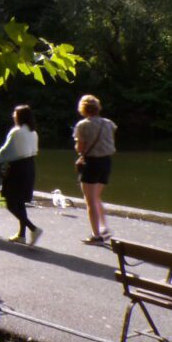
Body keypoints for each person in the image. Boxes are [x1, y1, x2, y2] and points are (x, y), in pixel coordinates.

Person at [73, 94, 118, 245]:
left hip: (91, 163)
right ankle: (104, 227)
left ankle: (96, 235)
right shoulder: (109, 123)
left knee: (90, 200)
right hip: (106, 162)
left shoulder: (83, 125)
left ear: (83, 109)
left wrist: (78, 147)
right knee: (97, 197)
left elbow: (80, 148)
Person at [0, 105, 40, 245]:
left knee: (10, 203)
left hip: (17, 169)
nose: (13, 115)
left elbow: (6, 150)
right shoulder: (33, 132)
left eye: (15, 113)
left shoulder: (16, 132)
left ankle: (33, 228)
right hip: (29, 167)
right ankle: (21, 235)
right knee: (19, 202)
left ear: (19, 116)